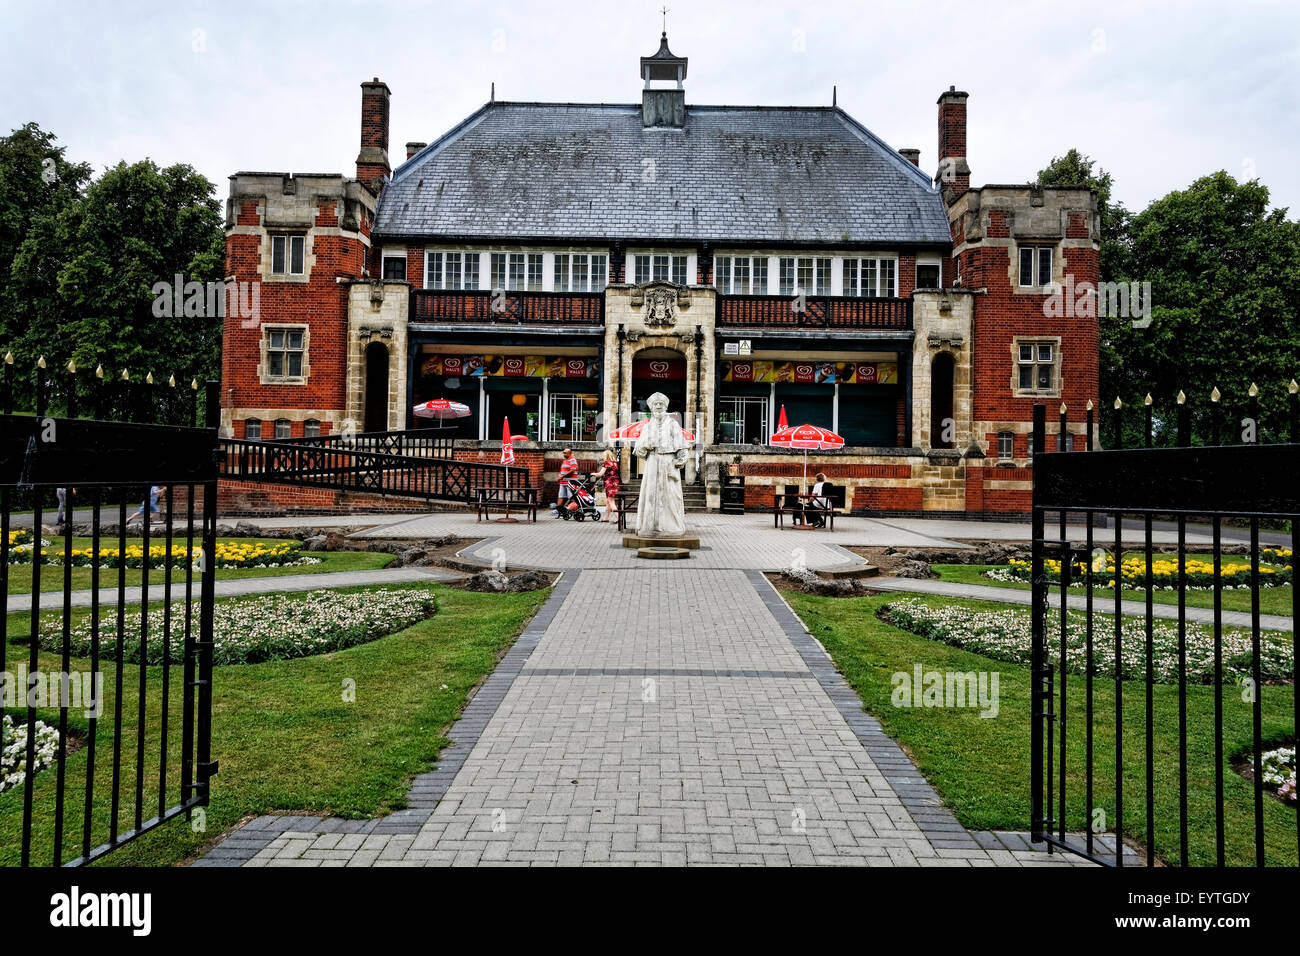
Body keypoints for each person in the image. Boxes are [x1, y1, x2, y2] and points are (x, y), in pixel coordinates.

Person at [633, 392, 688, 537]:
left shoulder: (673, 424)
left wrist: (681, 459)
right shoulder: (647, 426)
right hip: (652, 461)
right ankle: (649, 527)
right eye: (655, 404)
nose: (658, 406)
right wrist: (644, 446)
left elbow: (682, 447)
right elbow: (638, 450)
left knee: (671, 495)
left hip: (669, 462)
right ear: (651, 408)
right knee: (650, 494)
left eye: (661, 404)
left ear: (665, 406)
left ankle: (672, 527)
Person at [592, 449, 621, 523]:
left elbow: (600, 474)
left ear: (606, 456)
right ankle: (606, 517)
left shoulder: (607, 463)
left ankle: (618, 517)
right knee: (608, 501)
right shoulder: (615, 463)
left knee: (611, 501)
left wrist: (593, 474)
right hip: (615, 483)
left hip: (609, 484)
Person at [551, 448, 579, 517]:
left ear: (569, 453)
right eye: (563, 452)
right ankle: (558, 510)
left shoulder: (572, 460)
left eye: (565, 453)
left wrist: (563, 476)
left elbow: (572, 470)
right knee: (560, 496)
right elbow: (563, 470)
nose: (564, 454)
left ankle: (573, 509)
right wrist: (560, 475)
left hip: (570, 482)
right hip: (563, 482)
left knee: (571, 497)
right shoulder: (565, 461)